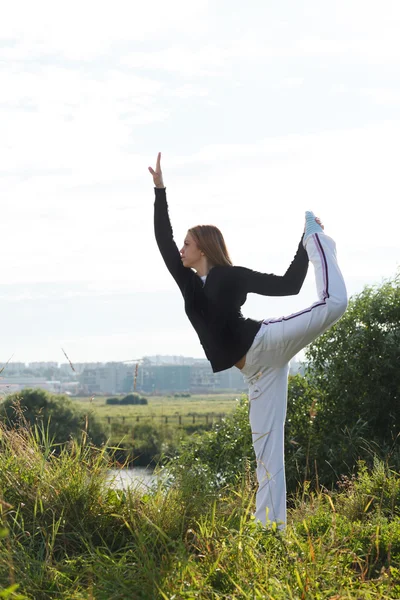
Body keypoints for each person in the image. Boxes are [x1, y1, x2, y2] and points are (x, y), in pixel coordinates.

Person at [149, 152, 347, 528]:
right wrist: (160, 191)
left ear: (203, 249)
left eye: (188, 244)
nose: (181, 249)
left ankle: (319, 240)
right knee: (267, 454)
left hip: (266, 342)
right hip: (258, 374)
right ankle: (270, 531)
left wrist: (304, 241)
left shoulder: (231, 276)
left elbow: (289, 285)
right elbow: (162, 239)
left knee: (334, 303)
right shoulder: (189, 284)